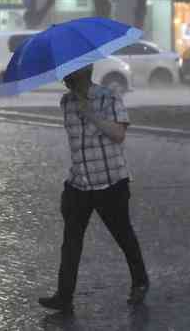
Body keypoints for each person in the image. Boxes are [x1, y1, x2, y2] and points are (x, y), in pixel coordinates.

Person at [38, 64, 149, 313]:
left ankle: (140, 282)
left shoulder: (109, 97)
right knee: (71, 241)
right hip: (79, 184)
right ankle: (64, 296)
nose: (64, 77)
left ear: (83, 73)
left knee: (123, 235)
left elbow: (119, 134)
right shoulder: (66, 102)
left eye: (69, 73)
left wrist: (91, 115)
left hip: (110, 182)